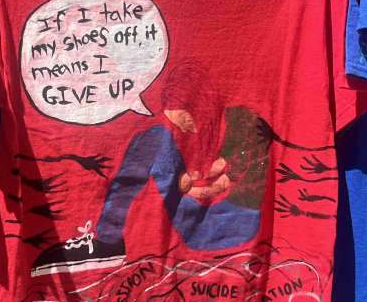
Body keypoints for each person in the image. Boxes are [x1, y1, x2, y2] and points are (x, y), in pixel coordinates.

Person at [31, 61, 270, 276]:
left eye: (186, 120)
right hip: (215, 223)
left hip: (232, 224)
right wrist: (188, 181)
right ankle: (108, 239)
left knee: (153, 139)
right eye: (178, 124)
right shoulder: (210, 132)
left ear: (200, 104)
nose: (184, 129)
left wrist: (191, 185)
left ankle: (108, 240)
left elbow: (229, 180)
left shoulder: (241, 121)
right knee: (156, 138)